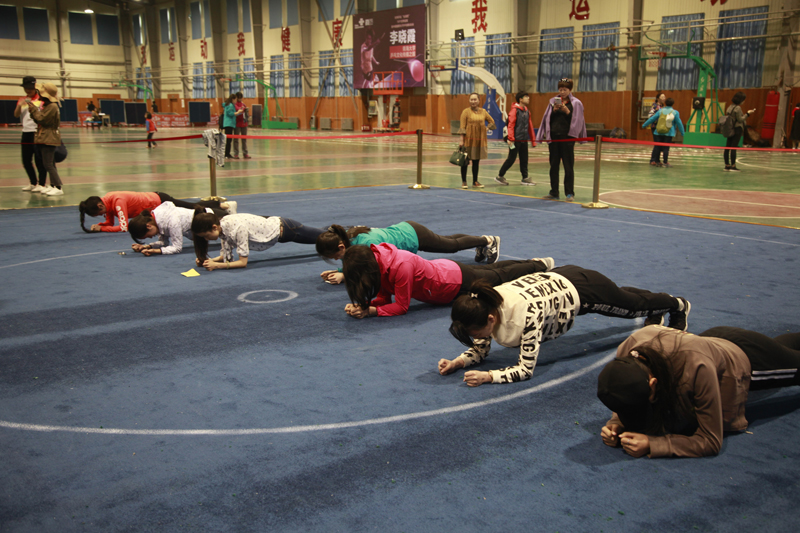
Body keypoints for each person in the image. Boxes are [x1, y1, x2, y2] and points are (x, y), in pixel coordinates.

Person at [438, 266, 691, 386]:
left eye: (475, 333)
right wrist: (458, 362)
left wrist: (488, 377)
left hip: (583, 290)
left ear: (491, 320)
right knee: (624, 298)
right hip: (562, 277)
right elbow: (480, 348)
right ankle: (653, 306)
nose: (477, 338)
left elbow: (525, 370)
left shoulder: (525, 315)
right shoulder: (484, 304)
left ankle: (677, 305)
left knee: (631, 308)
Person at [597, 325, 800, 459]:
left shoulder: (696, 368)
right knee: (783, 347)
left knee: (791, 360)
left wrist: (654, 444)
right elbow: (623, 395)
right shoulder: (628, 352)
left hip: (747, 359)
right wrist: (616, 423)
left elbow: (710, 440)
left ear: (653, 384)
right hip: (711, 343)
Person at [340, 242, 553, 318]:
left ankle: (540, 265)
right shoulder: (379, 262)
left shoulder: (400, 266)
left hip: (454, 282)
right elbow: (385, 298)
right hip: (447, 271)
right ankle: (531, 263)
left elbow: (402, 307)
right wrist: (364, 305)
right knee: (494, 270)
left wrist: (371, 312)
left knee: (499, 276)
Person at [317, 223, 501, 284]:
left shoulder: (366, 244)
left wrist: (345, 275)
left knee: (451, 245)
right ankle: (481, 242)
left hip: (413, 236)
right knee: (448, 240)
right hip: (407, 229)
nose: (335, 259)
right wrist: (342, 270)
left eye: (334, 256)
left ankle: (488, 240)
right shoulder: (347, 239)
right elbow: (353, 260)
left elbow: (374, 269)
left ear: (341, 246)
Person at [192, 212, 326, 271]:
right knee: (321, 233)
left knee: (324, 238)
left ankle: (339, 231)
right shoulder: (223, 227)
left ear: (214, 227)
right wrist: (209, 261)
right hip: (283, 231)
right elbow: (225, 256)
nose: (206, 239)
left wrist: (217, 266)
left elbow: (242, 262)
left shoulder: (236, 228)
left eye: (206, 236)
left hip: (288, 229)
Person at [79, 191, 235, 233]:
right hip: (156, 203)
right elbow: (110, 222)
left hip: (160, 201)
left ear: (100, 205)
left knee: (194, 208)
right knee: (192, 206)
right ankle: (222, 206)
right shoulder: (107, 202)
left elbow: (124, 226)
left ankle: (224, 208)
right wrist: (101, 225)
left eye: (99, 214)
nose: (102, 216)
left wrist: (103, 229)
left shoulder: (117, 201)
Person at [535, 78, 587, 201]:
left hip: (567, 138)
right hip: (554, 138)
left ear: (570, 90)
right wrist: (553, 111)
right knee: (553, 166)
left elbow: (578, 121)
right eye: (560, 89)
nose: (562, 92)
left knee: (568, 166)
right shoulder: (552, 102)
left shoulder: (576, 103)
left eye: (565, 89)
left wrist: (567, 112)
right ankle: (554, 192)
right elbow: (547, 119)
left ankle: (569, 193)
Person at [128, 201, 229, 256]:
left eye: (147, 236)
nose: (150, 238)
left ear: (149, 226)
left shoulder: (171, 221)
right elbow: (164, 243)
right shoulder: (156, 219)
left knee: (231, 233)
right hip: (203, 220)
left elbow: (177, 248)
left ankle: (229, 211)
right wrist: (148, 246)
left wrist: (155, 251)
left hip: (213, 218)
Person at [28, 82, 64, 197]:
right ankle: (53, 185)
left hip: (49, 137)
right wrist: (33, 111)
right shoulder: (48, 106)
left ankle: (58, 187)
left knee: (48, 164)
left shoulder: (52, 106)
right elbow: (38, 119)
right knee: (49, 163)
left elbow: (41, 119)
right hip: (45, 136)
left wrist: (34, 110)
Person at [495, 90, 536, 186]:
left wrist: (533, 141)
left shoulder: (527, 111)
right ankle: (500, 176)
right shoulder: (514, 111)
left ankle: (525, 178)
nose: (528, 98)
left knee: (524, 159)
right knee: (511, 159)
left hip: (524, 139)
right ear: (520, 99)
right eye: (526, 97)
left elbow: (530, 126)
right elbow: (511, 125)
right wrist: (511, 138)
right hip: (515, 140)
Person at [459, 92, 497, 189]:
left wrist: (487, 128)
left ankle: (475, 181)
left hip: (479, 140)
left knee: (476, 162)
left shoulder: (483, 111)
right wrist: (461, 140)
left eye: (475, 99)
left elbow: (492, 121)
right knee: (465, 162)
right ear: (469, 101)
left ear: (479, 100)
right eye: (471, 99)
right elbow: (462, 127)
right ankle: (464, 181)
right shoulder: (465, 112)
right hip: (468, 140)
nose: (473, 101)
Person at [15, 76, 46, 192]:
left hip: (37, 132)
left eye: (30, 88)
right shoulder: (22, 100)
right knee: (26, 160)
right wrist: (20, 105)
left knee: (39, 160)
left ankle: (42, 184)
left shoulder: (41, 99)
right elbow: (16, 115)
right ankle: (33, 182)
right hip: (26, 132)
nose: (28, 90)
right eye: (26, 88)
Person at [642, 97, 685, 168]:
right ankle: (665, 162)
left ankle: (656, 161)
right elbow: (679, 123)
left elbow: (652, 118)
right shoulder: (675, 112)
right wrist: (682, 132)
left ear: (665, 103)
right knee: (666, 148)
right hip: (669, 133)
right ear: (673, 104)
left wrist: (644, 125)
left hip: (658, 132)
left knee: (657, 147)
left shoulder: (660, 111)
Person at [723, 91, 756, 172]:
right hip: (737, 129)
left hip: (730, 128)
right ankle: (733, 166)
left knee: (727, 147)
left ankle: (727, 165)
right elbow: (740, 119)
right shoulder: (738, 108)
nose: (744, 101)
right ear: (740, 100)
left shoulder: (730, 107)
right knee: (733, 147)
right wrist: (748, 114)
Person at [647, 93, 666, 166]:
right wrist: (658, 120)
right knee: (657, 143)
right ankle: (653, 159)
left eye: (664, 97)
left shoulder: (663, 107)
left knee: (660, 144)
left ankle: (657, 160)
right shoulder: (654, 106)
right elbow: (650, 116)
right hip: (655, 127)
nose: (664, 98)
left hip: (662, 128)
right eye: (662, 97)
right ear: (658, 98)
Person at [222, 94, 243, 159]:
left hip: (230, 124)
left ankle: (227, 153)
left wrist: (239, 112)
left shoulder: (231, 105)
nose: (236, 101)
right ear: (233, 99)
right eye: (236, 99)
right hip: (229, 124)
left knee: (229, 140)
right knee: (228, 140)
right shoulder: (230, 105)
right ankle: (226, 154)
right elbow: (231, 114)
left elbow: (234, 114)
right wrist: (237, 112)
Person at [233, 92, 250, 159]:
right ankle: (236, 154)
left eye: (241, 98)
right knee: (236, 139)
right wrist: (242, 109)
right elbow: (238, 109)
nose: (240, 99)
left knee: (244, 139)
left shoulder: (243, 104)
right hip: (237, 124)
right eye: (239, 98)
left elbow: (246, 113)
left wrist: (246, 111)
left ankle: (245, 153)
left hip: (244, 124)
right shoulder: (235, 104)